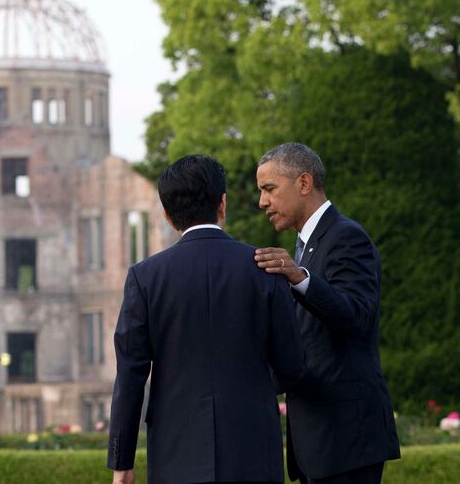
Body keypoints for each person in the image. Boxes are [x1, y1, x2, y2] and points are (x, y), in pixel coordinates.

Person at [108, 154, 306, 484]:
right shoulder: (267, 268)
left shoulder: (145, 278)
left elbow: (130, 375)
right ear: (222, 204)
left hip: (176, 455)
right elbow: (292, 366)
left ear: (169, 217)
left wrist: (121, 462)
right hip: (253, 450)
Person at [254, 143, 400, 484]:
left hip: (346, 441)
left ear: (304, 183)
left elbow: (358, 315)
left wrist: (300, 278)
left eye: (269, 189)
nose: (262, 202)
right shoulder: (306, 246)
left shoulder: (346, 237)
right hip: (319, 445)